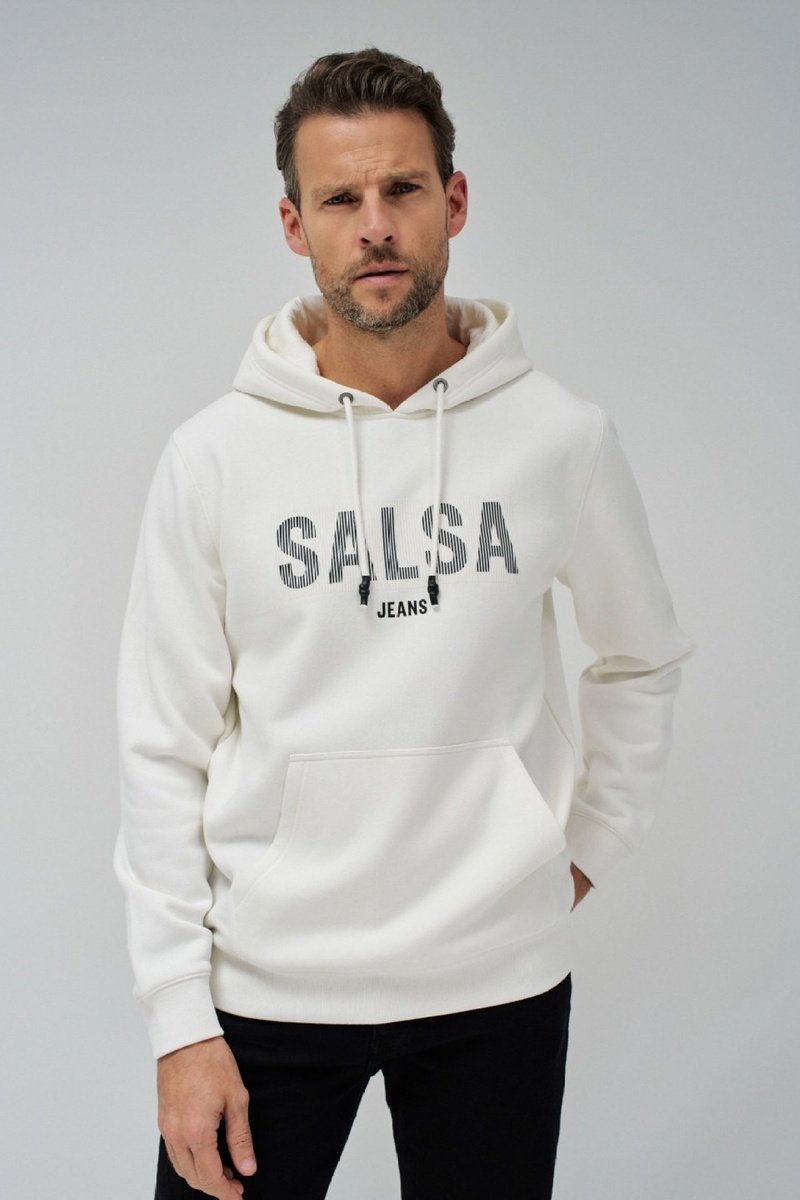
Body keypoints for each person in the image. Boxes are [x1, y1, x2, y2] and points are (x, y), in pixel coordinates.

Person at [114, 47, 696, 1200]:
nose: (374, 225)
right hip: (268, 989)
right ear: (294, 224)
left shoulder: (558, 438)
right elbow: (160, 744)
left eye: (402, 189)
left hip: (496, 984)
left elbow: (641, 659)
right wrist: (179, 1020)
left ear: (453, 201)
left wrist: (580, 846)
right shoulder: (214, 458)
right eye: (340, 198)